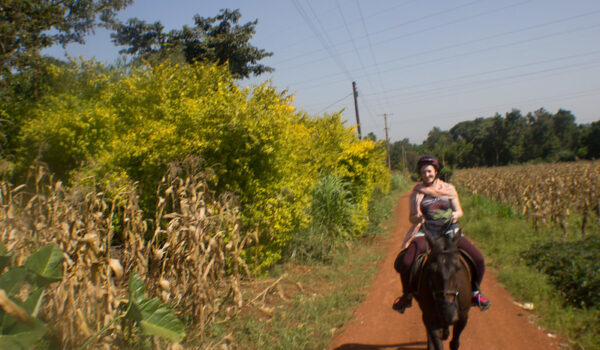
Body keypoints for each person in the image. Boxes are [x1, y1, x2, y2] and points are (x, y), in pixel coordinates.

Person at [392, 155, 491, 313]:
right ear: (420, 174)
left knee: (478, 259)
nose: (427, 175)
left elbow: (459, 210)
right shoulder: (417, 192)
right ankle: (407, 295)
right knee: (406, 262)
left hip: (450, 232)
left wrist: (455, 215)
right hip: (426, 233)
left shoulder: (449, 189)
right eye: (424, 172)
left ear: (436, 172)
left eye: (430, 172)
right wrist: (416, 217)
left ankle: (475, 292)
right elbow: (411, 218)